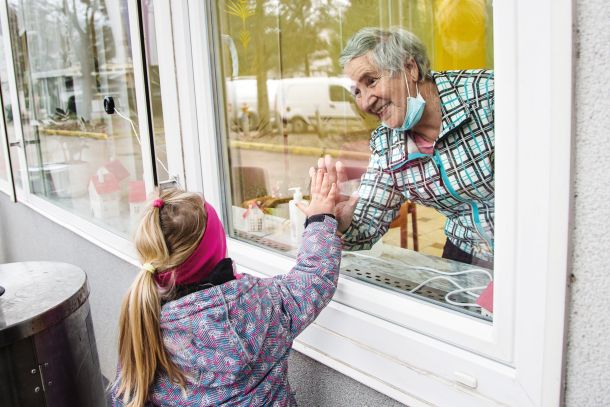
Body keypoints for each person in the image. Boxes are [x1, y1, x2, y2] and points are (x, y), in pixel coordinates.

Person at [111, 170, 340, 406]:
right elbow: (315, 277)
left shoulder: (144, 329)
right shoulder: (261, 305)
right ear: (216, 250)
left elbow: (125, 397)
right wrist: (320, 218)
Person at [325, 27, 494, 268]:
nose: (365, 102)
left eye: (371, 81)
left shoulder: (487, 96)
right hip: (467, 251)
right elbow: (368, 222)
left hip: (526, 244)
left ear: (410, 69)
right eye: (357, 92)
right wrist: (342, 221)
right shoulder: (387, 144)